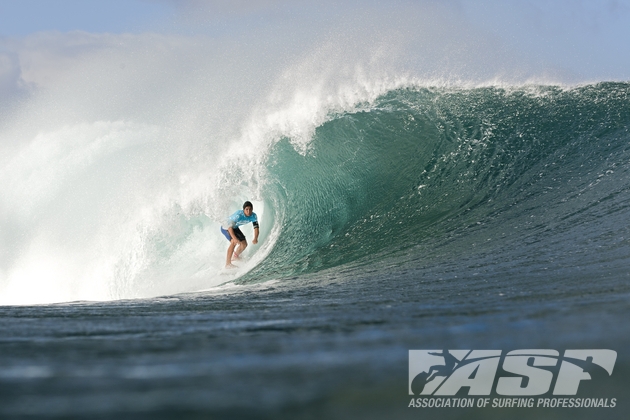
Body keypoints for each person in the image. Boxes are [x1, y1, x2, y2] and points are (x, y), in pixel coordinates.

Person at [220, 201, 259, 268]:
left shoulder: (253, 216)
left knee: (244, 244)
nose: (248, 211)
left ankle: (235, 257)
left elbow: (256, 228)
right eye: (246, 209)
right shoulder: (238, 215)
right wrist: (234, 238)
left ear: (252, 209)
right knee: (233, 242)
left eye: (250, 209)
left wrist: (255, 238)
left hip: (235, 227)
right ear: (243, 210)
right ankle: (228, 264)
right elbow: (229, 227)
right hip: (226, 227)